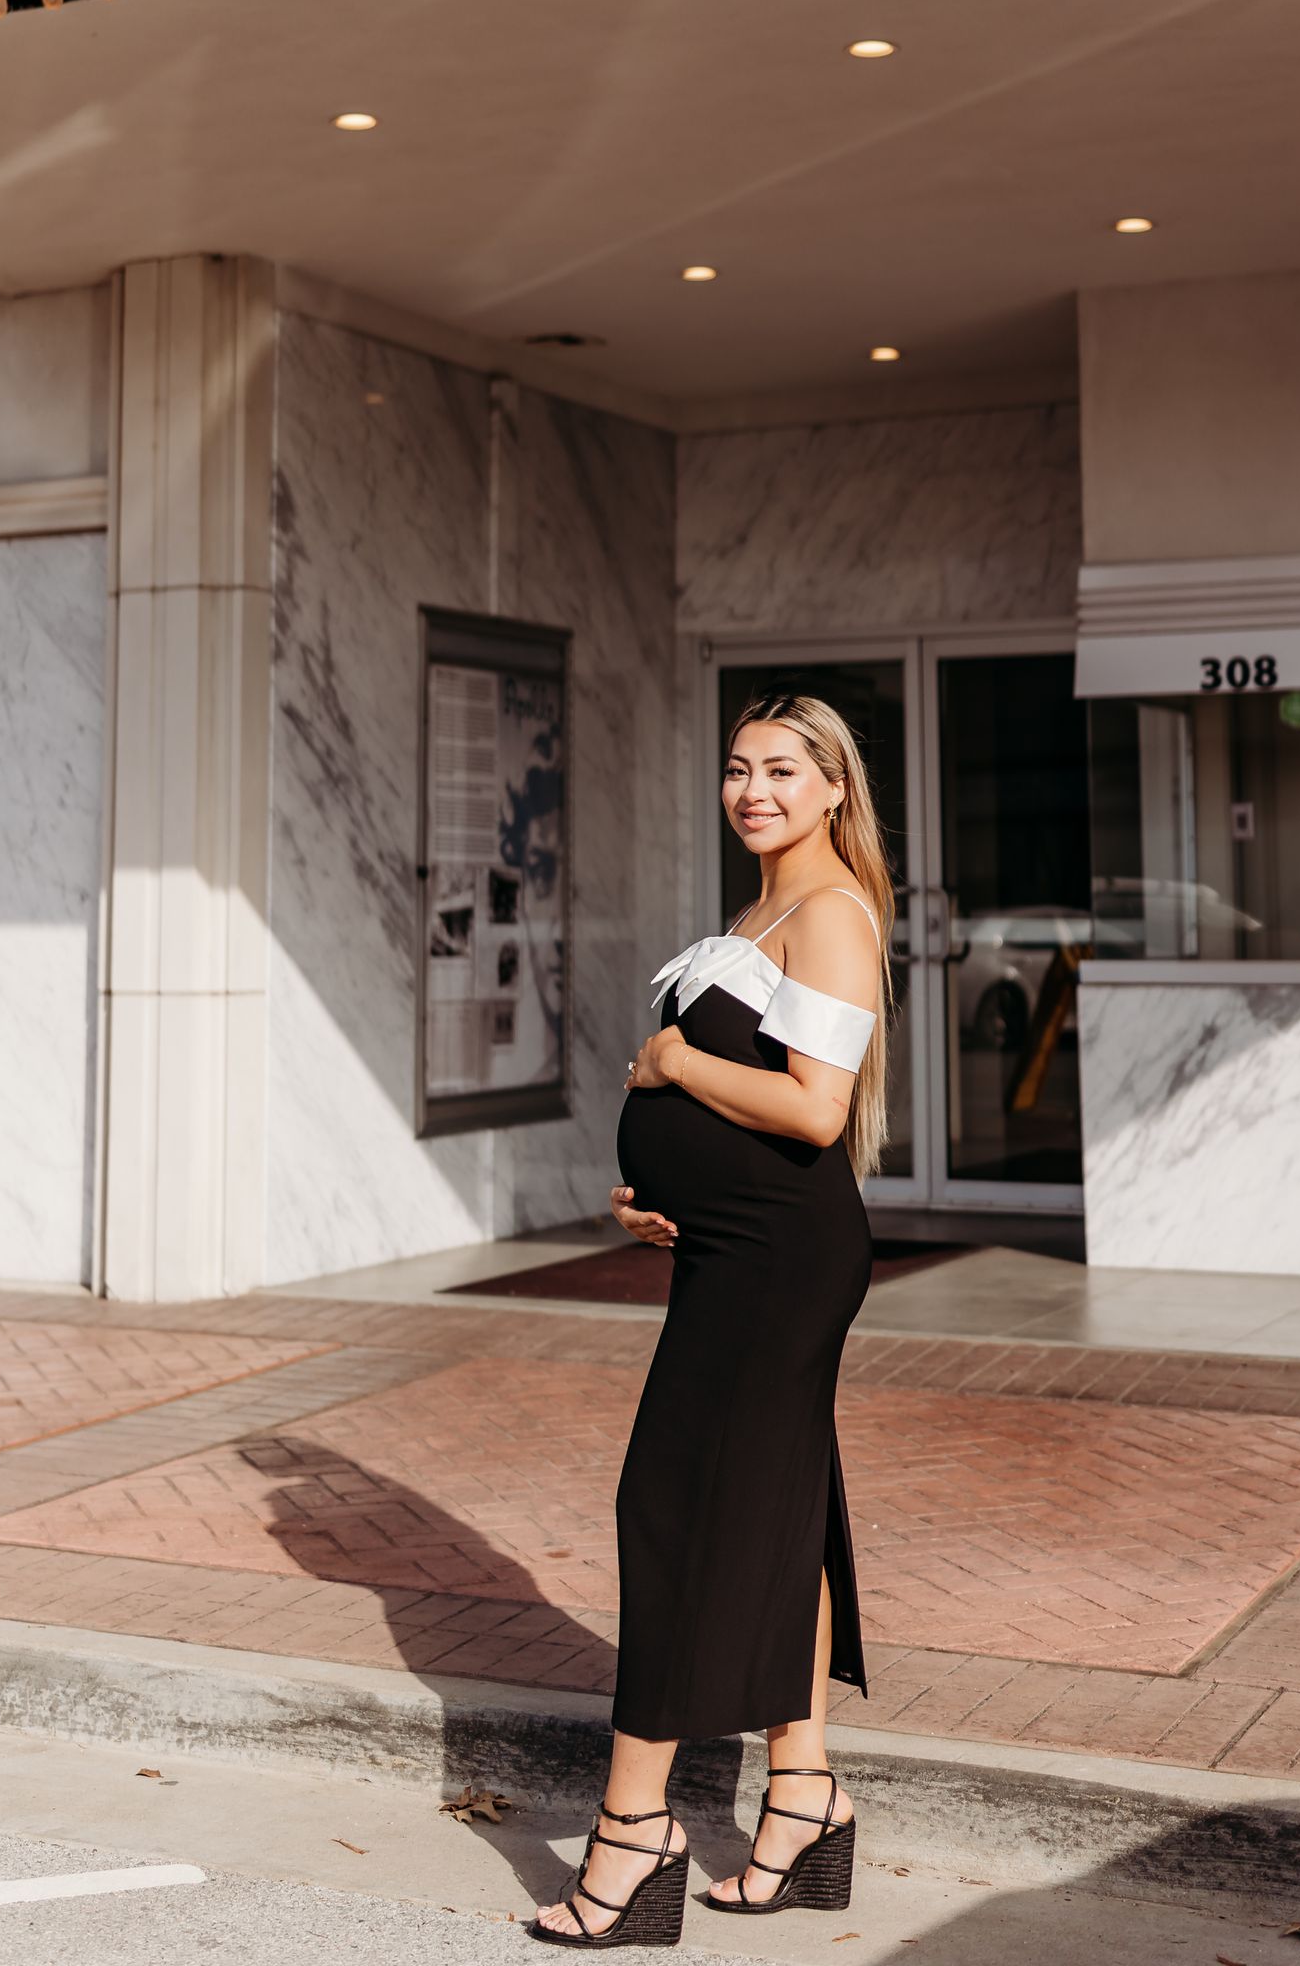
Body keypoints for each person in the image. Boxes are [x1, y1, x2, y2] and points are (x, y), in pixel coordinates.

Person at [530, 692, 891, 1947]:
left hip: (782, 1264)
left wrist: (673, 1068)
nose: (756, 792)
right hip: (729, 1250)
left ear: (834, 788)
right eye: (740, 770)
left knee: (671, 1506)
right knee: (778, 1508)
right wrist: (657, 1192)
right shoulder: (759, 914)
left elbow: (810, 1111)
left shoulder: (834, 916)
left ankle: (634, 1832)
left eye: (784, 772)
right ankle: (803, 1798)